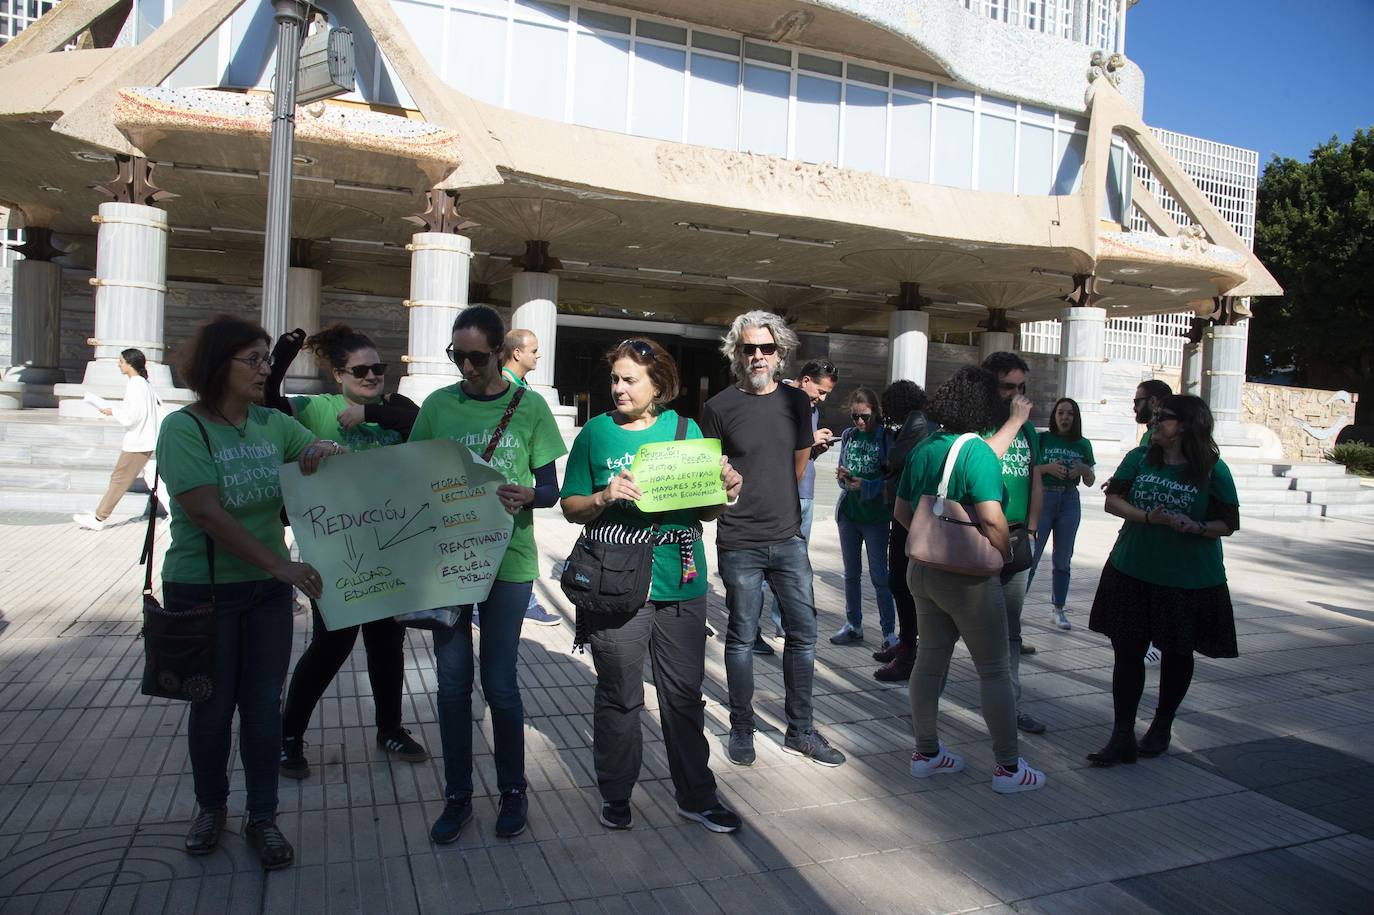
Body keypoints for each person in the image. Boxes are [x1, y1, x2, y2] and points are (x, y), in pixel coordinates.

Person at [157, 315, 343, 870]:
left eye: (267, 358)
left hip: (264, 593)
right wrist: (279, 565)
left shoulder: (271, 424)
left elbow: (322, 452)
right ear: (218, 366)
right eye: (254, 360)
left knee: (263, 708)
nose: (266, 369)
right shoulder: (183, 428)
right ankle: (210, 808)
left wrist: (325, 449)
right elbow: (205, 512)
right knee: (212, 708)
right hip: (202, 588)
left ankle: (262, 815)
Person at [560, 338, 744, 834]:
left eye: (629, 380)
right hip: (616, 581)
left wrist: (725, 491)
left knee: (683, 695)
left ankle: (696, 795)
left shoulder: (685, 432)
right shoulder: (596, 434)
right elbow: (570, 505)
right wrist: (603, 494)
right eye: (614, 379)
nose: (618, 389)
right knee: (619, 693)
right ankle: (616, 793)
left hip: (680, 581)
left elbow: (703, 510)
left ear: (658, 385)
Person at [408, 305, 567, 844]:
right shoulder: (437, 406)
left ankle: (512, 791)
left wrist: (529, 494)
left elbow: (552, 489)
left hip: (509, 564)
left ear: (500, 353)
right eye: (457, 356)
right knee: (453, 687)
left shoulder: (530, 407)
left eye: (476, 357)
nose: (466, 367)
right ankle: (457, 798)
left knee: (499, 683)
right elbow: (409, 478)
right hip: (448, 565)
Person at [262, 323, 429, 780]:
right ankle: (289, 735)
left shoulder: (394, 407)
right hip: (335, 549)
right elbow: (270, 408)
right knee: (332, 643)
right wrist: (278, 365)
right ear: (338, 374)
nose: (373, 376)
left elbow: (423, 429)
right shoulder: (316, 409)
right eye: (361, 370)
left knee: (387, 641)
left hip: (391, 549)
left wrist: (371, 412)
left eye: (379, 368)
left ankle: (390, 728)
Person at [701, 310, 846, 769]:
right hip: (739, 539)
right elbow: (710, 478)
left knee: (803, 635)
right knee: (742, 637)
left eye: (766, 348)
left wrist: (778, 504)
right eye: (749, 348)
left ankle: (800, 731)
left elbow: (798, 466)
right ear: (737, 353)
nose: (758, 355)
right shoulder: (719, 408)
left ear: (780, 353)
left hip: (788, 539)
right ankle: (742, 725)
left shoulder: (798, 404)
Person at [895, 366, 1047, 794]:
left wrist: (935, 540)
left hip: (922, 570)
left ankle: (926, 753)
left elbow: (903, 514)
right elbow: (992, 517)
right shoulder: (977, 451)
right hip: (967, 581)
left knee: (930, 660)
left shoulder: (926, 447)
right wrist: (1000, 550)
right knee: (994, 669)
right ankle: (1008, 768)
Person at [1086, 395, 1239, 767]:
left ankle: (1161, 725)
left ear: (1186, 425)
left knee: (1177, 653)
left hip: (1187, 579)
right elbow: (1112, 500)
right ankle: (1121, 735)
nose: (1154, 423)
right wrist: (1147, 517)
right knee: (1127, 652)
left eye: (1163, 418)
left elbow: (1228, 524)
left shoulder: (1213, 470)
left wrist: (1198, 526)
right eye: (1153, 417)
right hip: (1132, 570)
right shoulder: (1139, 458)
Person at [981, 351, 1045, 734]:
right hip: (980, 539)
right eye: (1008, 386)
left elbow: (1035, 478)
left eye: (1021, 387)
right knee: (950, 628)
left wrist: (1034, 530)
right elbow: (983, 462)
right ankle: (927, 710)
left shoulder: (1027, 429)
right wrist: (1013, 420)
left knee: (1011, 630)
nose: (1016, 395)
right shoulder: (979, 425)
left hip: (1018, 538)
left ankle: (1011, 706)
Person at [756, 360, 838, 655]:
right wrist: (808, 440)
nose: (822, 399)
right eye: (820, 391)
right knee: (767, 566)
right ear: (804, 380)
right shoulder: (776, 399)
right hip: (780, 495)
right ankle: (751, 629)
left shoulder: (812, 407)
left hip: (806, 493)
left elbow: (801, 451)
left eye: (828, 393)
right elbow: (769, 447)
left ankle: (783, 625)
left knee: (795, 567)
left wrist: (816, 446)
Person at [498, 328, 563, 628]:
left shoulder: (527, 392)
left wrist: (534, 494)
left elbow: (550, 488)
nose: (538, 355)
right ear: (516, 353)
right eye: (534, 350)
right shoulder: (505, 390)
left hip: (518, 511)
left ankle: (528, 602)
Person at [872, 380, 931, 682]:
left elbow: (896, 459)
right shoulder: (918, 420)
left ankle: (909, 649)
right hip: (911, 511)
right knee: (901, 582)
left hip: (910, 514)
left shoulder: (917, 422)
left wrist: (886, 457)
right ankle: (907, 643)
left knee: (901, 582)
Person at [829, 387, 896, 648]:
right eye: (855, 416)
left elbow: (892, 480)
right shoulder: (849, 436)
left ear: (876, 414)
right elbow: (846, 476)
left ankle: (889, 633)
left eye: (865, 416)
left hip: (876, 517)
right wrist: (844, 478)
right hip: (849, 514)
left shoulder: (885, 437)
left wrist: (866, 486)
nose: (859, 422)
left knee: (880, 577)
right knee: (851, 574)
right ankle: (853, 625)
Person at [74, 348, 161, 530]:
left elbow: (132, 416)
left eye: (121, 362)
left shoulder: (136, 385)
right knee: (151, 479)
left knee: (119, 480)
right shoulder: (143, 384)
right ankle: (177, 515)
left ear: (130, 364)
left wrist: (112, 411)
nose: (118, 365)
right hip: (144, 440)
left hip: (138, 442)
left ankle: (99, 518)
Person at [1028, 397, 1096, 631]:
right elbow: (1029, 469)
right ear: (1054, 416)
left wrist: (1084, 469)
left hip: (1069, 499)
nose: (1065, 418)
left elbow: (1090, 480)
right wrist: (1048, 468)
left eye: (1070, 414)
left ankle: (1059, 609)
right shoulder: (1042, 439)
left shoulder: (1083, 444)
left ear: (1076, 417)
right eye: (1060, 413)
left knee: (1063, 558)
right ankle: (1015, 608)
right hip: (1044, 497)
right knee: (1032, 556)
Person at [1133, 379, 1172, 447]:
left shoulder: (1159, 437)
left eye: (1137, 402)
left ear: (1153, 401)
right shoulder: (1152, 433)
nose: (1134, 408)